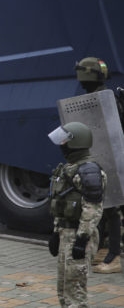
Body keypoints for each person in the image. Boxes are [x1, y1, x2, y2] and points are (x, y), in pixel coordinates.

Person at [47, 122, 106, 307]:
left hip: (79, 236)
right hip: (66, 233)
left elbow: (92, 209)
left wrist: (82, 240)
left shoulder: (89, 172)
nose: (61, 146)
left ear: (75, 143)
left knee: (75, 291)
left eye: (64, 142)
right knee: (64, 289)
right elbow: (61, 204)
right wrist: (56, 232)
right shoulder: (69, 169)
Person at [74, 57, 122, 274]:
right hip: (105, 160)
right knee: (107, 209)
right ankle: (105, 250)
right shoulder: (105, 98)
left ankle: (115, 256)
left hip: (112, 161)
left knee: (114, 210)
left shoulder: (103, 101)